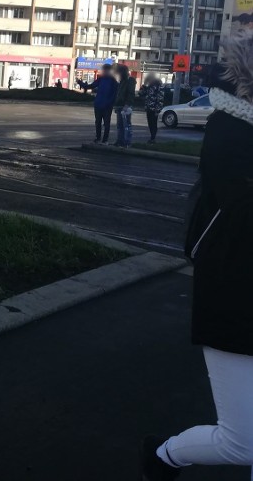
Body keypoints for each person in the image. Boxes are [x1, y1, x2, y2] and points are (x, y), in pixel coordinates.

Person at [140, 34, 253, 480]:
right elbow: (241, 214)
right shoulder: (231, 131)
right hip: (234, 295)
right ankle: (164, 456)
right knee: (242, 440)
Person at [76, 64, 118, 144]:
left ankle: (105, 140)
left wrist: (110, 103)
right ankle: (98, 138)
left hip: (107, 106)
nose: (104, 72)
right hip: (98, 104)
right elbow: (90, 86)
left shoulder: (113, 81)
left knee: (106, 123)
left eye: (106, 70)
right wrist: (80, 83)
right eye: (104, 70)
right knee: (98, 122)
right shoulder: (101, 79)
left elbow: (115, 94)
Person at [113, 64, 136, 148]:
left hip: (125, 106)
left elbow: (130, 94)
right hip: (120, 105)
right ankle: (120, 140)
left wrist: (127, 104)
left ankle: (126, 142)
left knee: (126, 125)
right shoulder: (122, 81)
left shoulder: (129, 80)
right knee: (120, 125)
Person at [139, 75, 164, 144]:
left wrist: (158, 109)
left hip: (154, 108)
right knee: (150, 123)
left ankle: (153, 138)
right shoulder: (148, 86)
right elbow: (141, 94)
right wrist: (144, 86)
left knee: (153, 123)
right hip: (148, 107)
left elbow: (160, 98)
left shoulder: (158, 86)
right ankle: (152, 137)